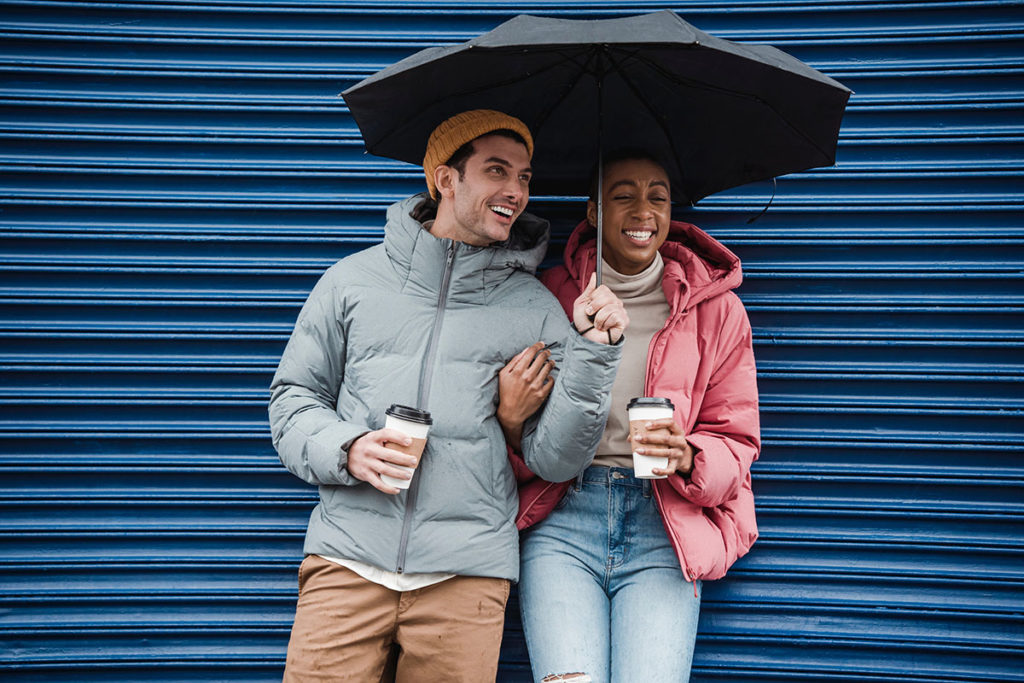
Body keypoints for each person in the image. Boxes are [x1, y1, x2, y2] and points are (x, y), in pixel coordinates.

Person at [268, 109, 629, 682]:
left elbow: (558, 458)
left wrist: (593, 351)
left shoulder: (533, 306)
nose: (516, 191)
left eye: (525, 177)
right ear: (445, 179)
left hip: (465, 579)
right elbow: (293, 399)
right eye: (497, 171)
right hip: (346, 561)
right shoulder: (351, 282)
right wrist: (348, 449)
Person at [499, 150, 760, 683]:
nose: (643, 210)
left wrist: (689, 455)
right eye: (623, 195)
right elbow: (518, 426)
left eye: (657, 197)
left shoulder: (716, 309)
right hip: (563, 520)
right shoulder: (548, 297)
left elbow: (739, 437)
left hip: (664, 524)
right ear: (593, 211)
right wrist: (510, 420)